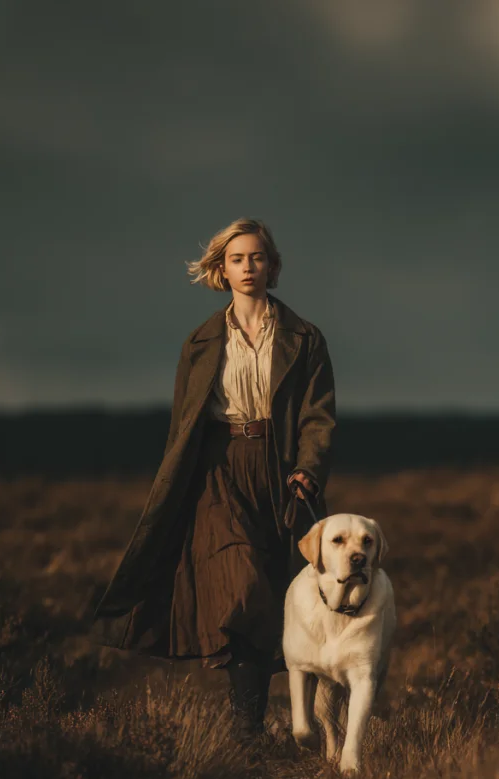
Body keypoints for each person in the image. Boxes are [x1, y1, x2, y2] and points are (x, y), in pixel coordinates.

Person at [93, 217, 336, 738]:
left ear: (272, 266)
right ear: (221, 270)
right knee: (238, 589)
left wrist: (308, 471)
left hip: (279, 470)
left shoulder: (305, 338)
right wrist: (177, 489)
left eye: (257, 257)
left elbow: (319, 415)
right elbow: (183, 424)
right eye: (237, 259)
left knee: (273, 597)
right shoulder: (200, 341)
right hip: (217, 472)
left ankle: (275, 727)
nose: (248, 267)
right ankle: (246, 732)